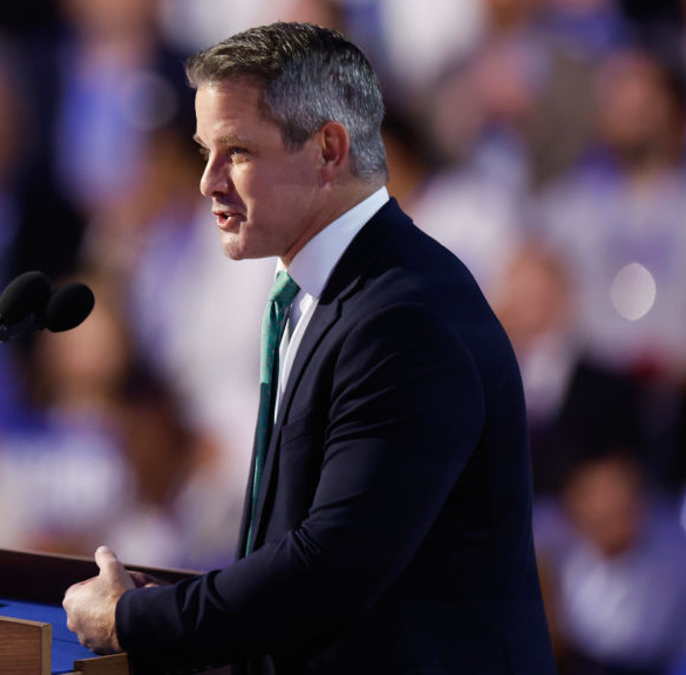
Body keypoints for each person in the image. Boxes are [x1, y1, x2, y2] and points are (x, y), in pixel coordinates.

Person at [63, 22, 556, 674]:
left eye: (235, 151)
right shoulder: (308, 285)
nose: (207, 181)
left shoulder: (406, 315)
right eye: (204, 151)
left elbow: (330, 567)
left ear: (328, 150)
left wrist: (138, 617)